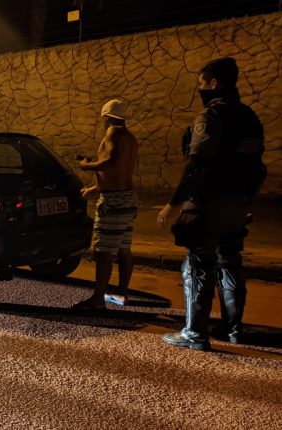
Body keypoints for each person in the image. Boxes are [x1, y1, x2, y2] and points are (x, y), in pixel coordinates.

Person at [159, 57, 265, 350]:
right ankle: (233, 330)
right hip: (235, 204)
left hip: (207, 204)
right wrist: (245, 199)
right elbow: (257, 167)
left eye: (201, 83)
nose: (200, 89)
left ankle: (195, 333)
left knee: (197, 266)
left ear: (213, 83)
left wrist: (172, 204)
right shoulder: (249, 117)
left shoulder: (210, 117)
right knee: (230, 262)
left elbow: (197, 164)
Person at [73, 99, 140, 310]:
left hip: (113, 202)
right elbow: (119, 170)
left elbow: (110, 161)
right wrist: (94, 189)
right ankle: (122, 294)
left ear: (107, 116)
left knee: (103, 252)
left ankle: (98, 299)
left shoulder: (113, 133)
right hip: (128, 198)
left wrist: (86, 165)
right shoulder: (130, 138)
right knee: (124, 249)